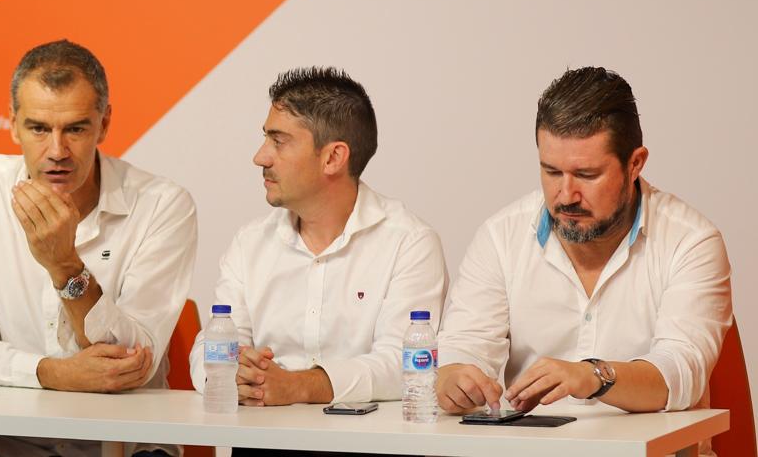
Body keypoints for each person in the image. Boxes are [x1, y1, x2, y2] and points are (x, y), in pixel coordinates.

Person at [436, 67, 732, 446]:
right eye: (551, 171)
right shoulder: (500, 237)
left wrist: (593, 376)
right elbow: (464, 346)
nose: (566, 194)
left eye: (587, 174)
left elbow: (681, 372)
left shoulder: (691, 241)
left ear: (635, 163)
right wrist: (454, 377)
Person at [0, 39, 198, 457]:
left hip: (125, 444)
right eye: (38, 128)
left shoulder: (162, 204)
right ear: (13, 124)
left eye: (75, 129)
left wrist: (64, 266)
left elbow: (135, 360)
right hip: (10, 442)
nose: (57, 152)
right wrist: (54, 373)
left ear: (104, 123)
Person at [190, 68, 447, 453]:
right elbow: (211, 343)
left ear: (333, 157)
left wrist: (299, 386)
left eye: (279, 142)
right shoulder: (249, 243)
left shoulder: (409, 242)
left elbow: (404, 365)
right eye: (265, 138)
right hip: (264, 446)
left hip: (370, 448)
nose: (260, 157)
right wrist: (232, 375)